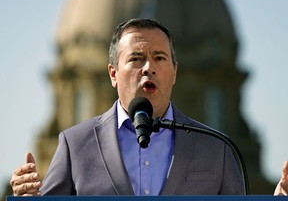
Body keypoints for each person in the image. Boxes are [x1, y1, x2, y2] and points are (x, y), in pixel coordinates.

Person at [10, 18, 288, 196]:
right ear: (113, 73)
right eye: (136, 58)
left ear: (175, 72)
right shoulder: (74, 144)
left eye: (159, 58)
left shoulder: (217, 147)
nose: (148, 68)